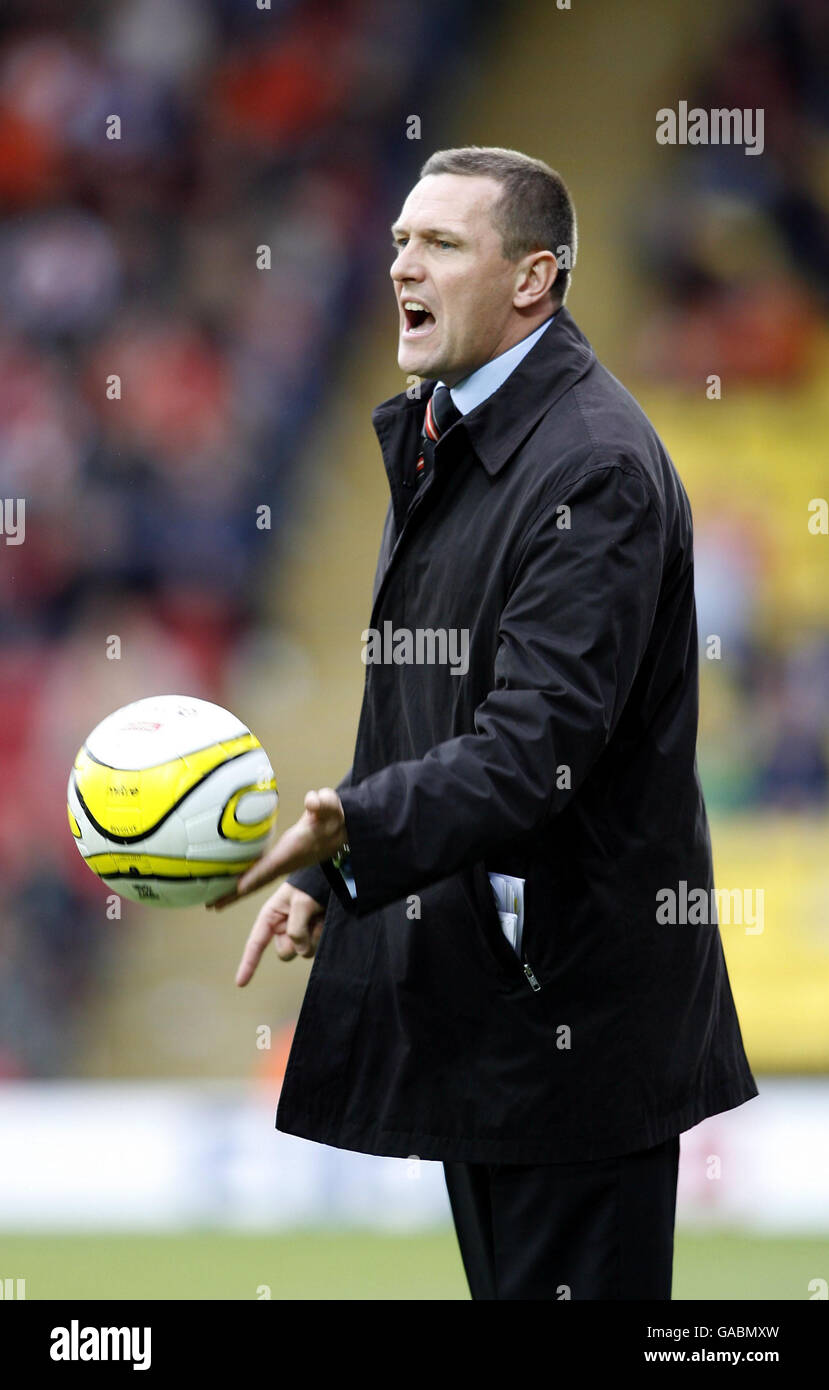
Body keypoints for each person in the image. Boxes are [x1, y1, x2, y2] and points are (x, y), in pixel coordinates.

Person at [210, 146, 758, 1301]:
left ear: (533, 279)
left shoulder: (591, 465)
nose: (402, 263)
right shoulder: (444, 431)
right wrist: (336, 872)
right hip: (497, 1005)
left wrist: (353, 824)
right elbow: (421, 697)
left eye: (442, 243)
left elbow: (531, 752)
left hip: (575, 1017)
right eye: (403, 238)